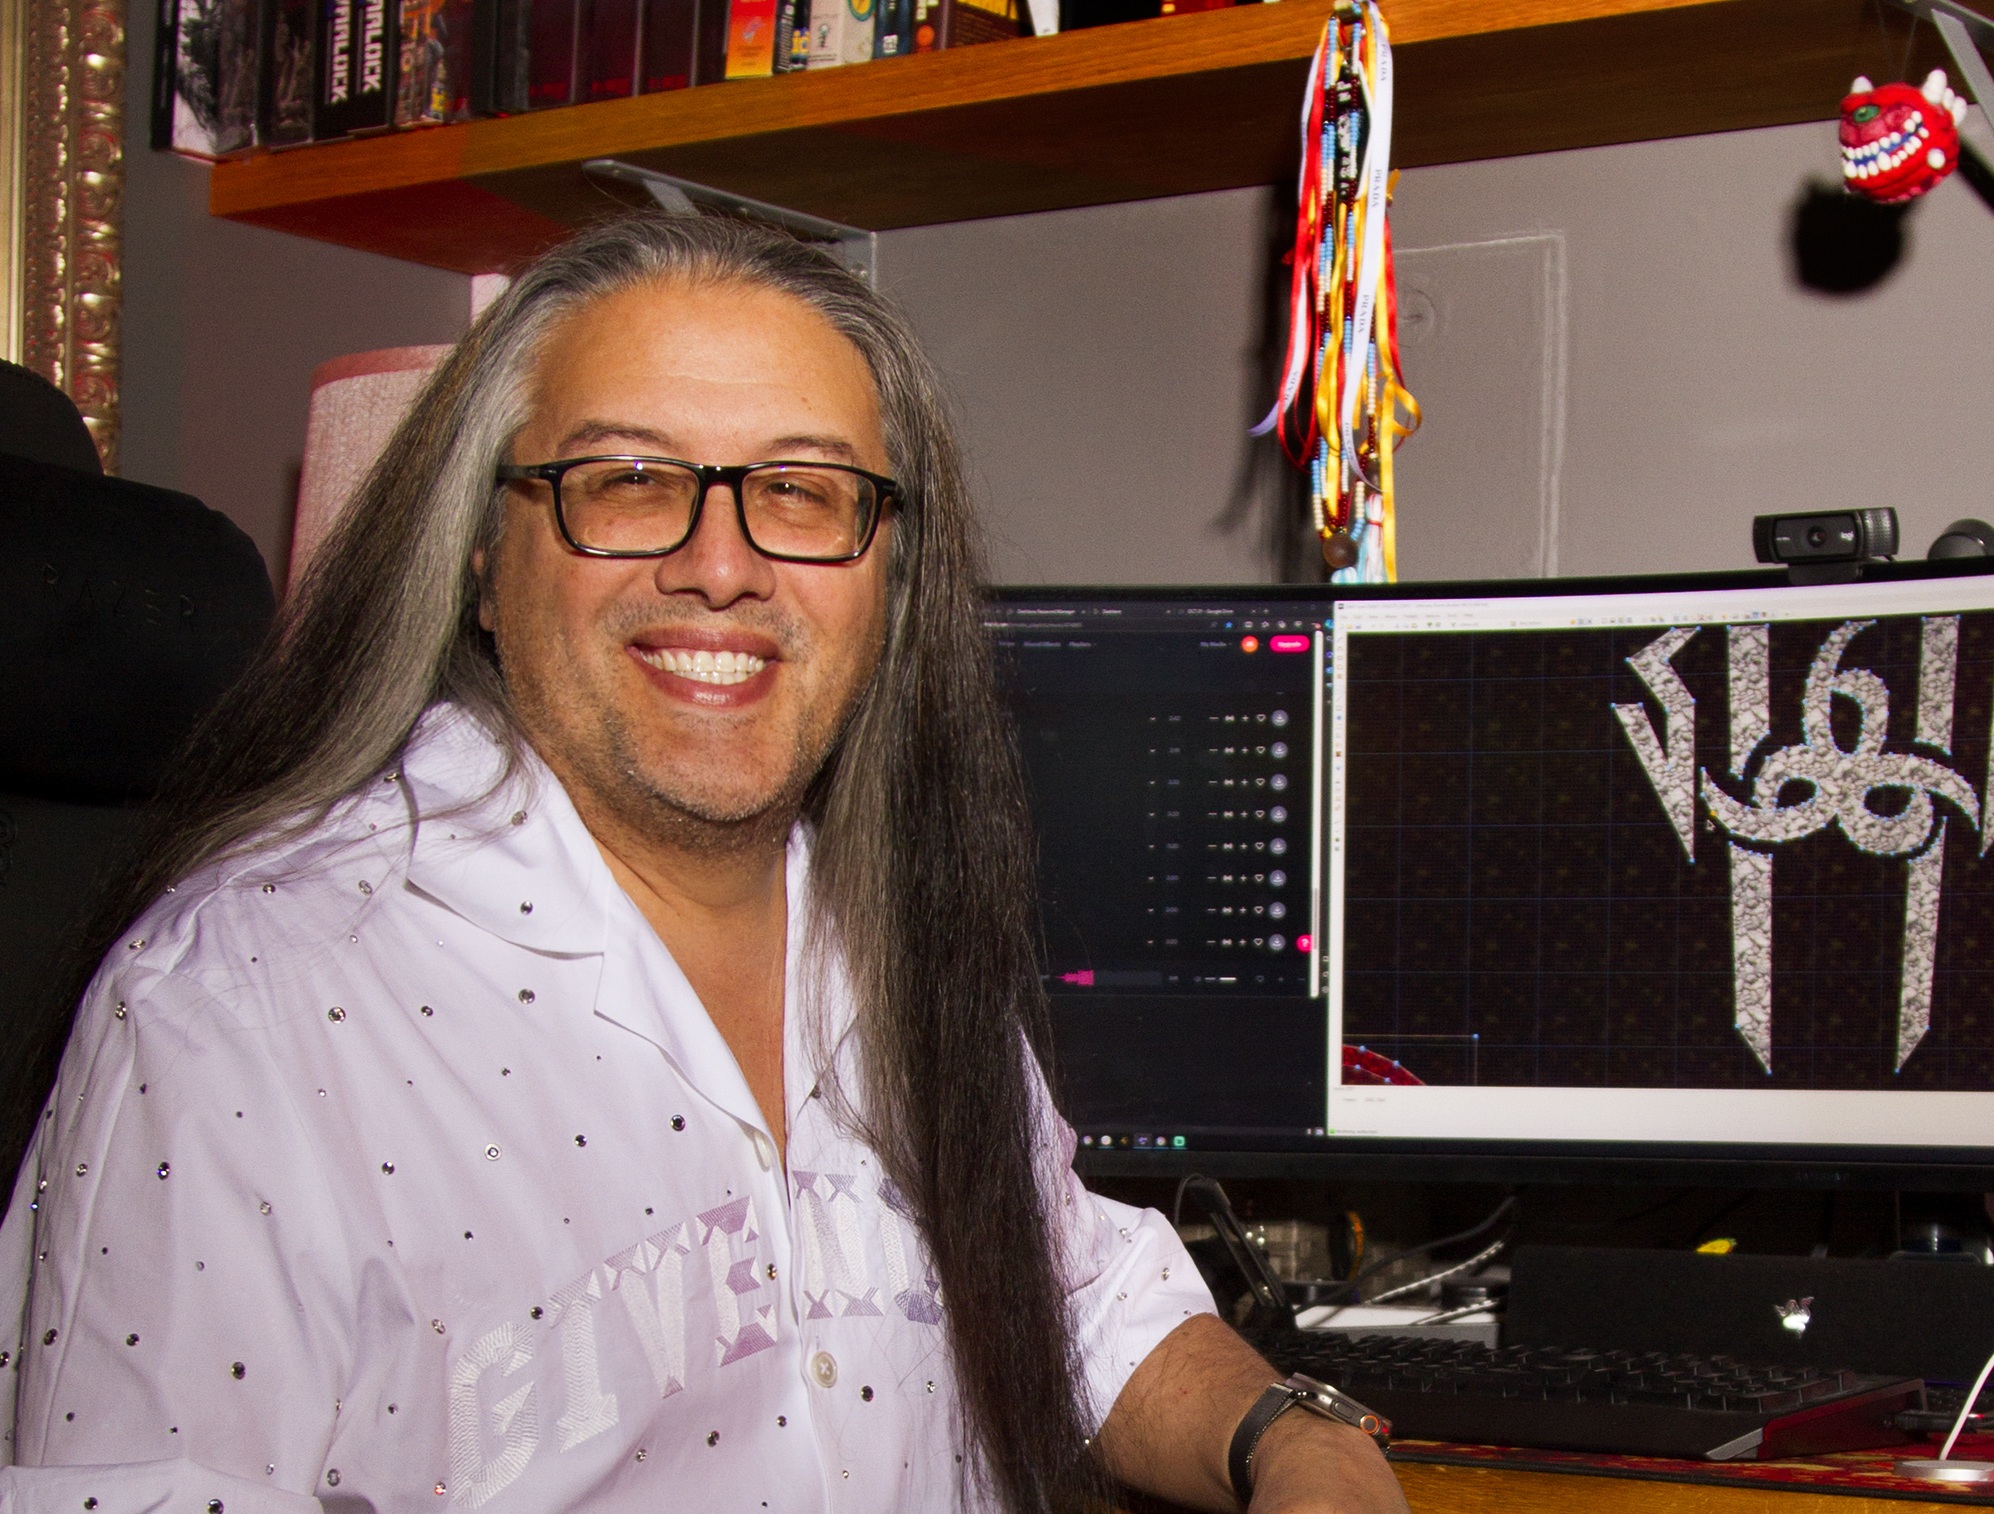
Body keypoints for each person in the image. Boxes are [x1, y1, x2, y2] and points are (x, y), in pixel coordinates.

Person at [0, 214, 1408, 1513]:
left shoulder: (887, 935)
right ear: (485, 558)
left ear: (887, 576)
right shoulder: (239, 1009)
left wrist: (1295, 1436)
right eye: (628, 478)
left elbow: (1071, 1288)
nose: (722, 564)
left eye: (799, 490)